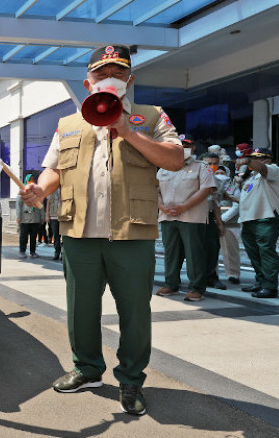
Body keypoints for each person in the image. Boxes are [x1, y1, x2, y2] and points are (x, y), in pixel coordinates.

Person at [19, 45, 183, 416]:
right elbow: (54, 170)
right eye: (101, 73)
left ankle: (131, 379)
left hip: (132, 233)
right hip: (79, 233)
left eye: (119, 72)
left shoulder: (151, 116)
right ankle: (87, 370)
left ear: (130, 79)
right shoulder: (68, 124)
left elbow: (174, 159)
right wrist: (39, 190)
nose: (110, 78)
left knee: (135, 313)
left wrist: (127, 131)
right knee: (81, 310)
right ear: (87, 81)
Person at [155, 139, 217, 301]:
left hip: (192, 218)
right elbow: (154, 190)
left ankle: (196, 288)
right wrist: (162, 207)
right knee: (171, 253)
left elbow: (207, 189)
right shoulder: (163, 168)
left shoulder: (203, 166)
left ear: (193, 148)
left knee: (194, 254)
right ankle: (171, 284)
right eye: (178, 146)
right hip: (167, 217)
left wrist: (183, 206)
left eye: (186, 146)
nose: (182, 148)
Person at [235, 148, 279, 298]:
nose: (254, 161)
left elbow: (262, 168)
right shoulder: (251, 177)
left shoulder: (274, 170)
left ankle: (270, 287)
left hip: (266, 217)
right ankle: (261, 282)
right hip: (249, 219)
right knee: (254, 253)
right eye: (252, 158)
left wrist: (247, 161)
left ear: (267, 159)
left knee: (266, 252)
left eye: (258, 158)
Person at [200, 152, 227, 290]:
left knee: (213, 247)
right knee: (195, 249)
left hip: (209, 217)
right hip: (193, 216)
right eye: (208, 163)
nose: (212, 166)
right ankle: (196, 278)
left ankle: (212, 277)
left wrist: (220, 223)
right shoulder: (193, 178)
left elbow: (216, 203)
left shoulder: (218, 182)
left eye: (215, 164)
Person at [16, 174, 44, 259]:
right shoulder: (22, 191)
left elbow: (41, 205)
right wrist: (18, 217)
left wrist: (42, 216)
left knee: (33, 236)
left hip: (35, 218)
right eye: (30, 179)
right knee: (23, 236)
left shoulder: (36, 192)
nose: (32, 181)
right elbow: (18, 205)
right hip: (25, 218)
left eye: (33, 179)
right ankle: (22, 251)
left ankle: (33, 252)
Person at [46, 189, 62, 260]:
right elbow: (48, 203)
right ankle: (57, 252)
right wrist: (47, 215)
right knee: (56, 236)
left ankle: (64, 254)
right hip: (53, 216)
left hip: (63, 217)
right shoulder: (51, 190)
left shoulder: (65, 189)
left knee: (64, 237)